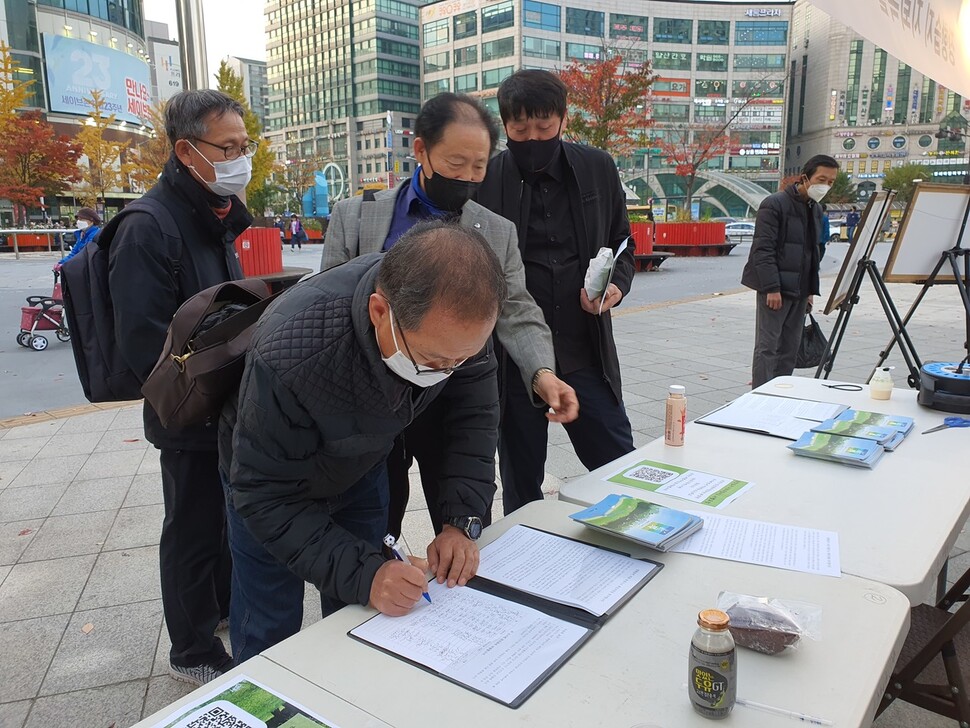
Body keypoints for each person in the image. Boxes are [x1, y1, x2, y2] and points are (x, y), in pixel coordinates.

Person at [220, 221, 506, 664]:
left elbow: (473, 419)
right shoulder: (291, 353)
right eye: (432, 360)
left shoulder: (458, 332)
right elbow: (264, 496)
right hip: (268, 481)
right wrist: (367, 573)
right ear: (379, 313)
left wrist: (460, 519)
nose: (448, 370)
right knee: (268, 623)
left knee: (363, 615)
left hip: (361, 465)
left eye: (461, 359)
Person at [322, 92, 577, 537]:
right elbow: (331, 308)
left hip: (453, 398)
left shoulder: (496, 233)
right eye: (455, 164)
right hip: (369, 404)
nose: (467, 177)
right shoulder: (356, 217)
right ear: (421, 150)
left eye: (478, 166)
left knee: (462, 517)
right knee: (370, 521)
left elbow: (516, 308)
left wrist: (543, 373)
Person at [106, 89, 256, 685]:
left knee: (220, 518)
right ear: (186, 151)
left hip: (224, 404)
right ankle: (191, 648)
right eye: (228, 148)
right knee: (192, 527)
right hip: (187, 409)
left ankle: (216, 611)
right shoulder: (149, 227)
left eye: (244, 146)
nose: (239, 159)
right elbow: (145, 343)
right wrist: (204, 390)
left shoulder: (210, 215)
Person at [476, 69, 636, 516]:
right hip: (513, 359)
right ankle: (527, 560)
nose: (532, 138)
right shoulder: (487, 179)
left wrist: (616, 287)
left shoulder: (597, 168)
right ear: (504, 126)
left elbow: (624, 242)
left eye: (544, 128)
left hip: (582, 347)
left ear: (563, 120)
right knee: (521, 478)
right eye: (519, 129)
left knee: (618, 462)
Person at [741, 154, 840, 389]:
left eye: (831, 182)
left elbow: (813, 253)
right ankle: (761, 394)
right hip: (775, 290)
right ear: (805, 177)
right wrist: (771, 288)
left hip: (800, 290)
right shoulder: (774, 204)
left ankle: (780, 390)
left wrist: (810, 291)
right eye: (821, 179)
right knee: (768, 347)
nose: (825, 185)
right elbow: (763, 250)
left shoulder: (815, 209)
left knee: (790, 348)